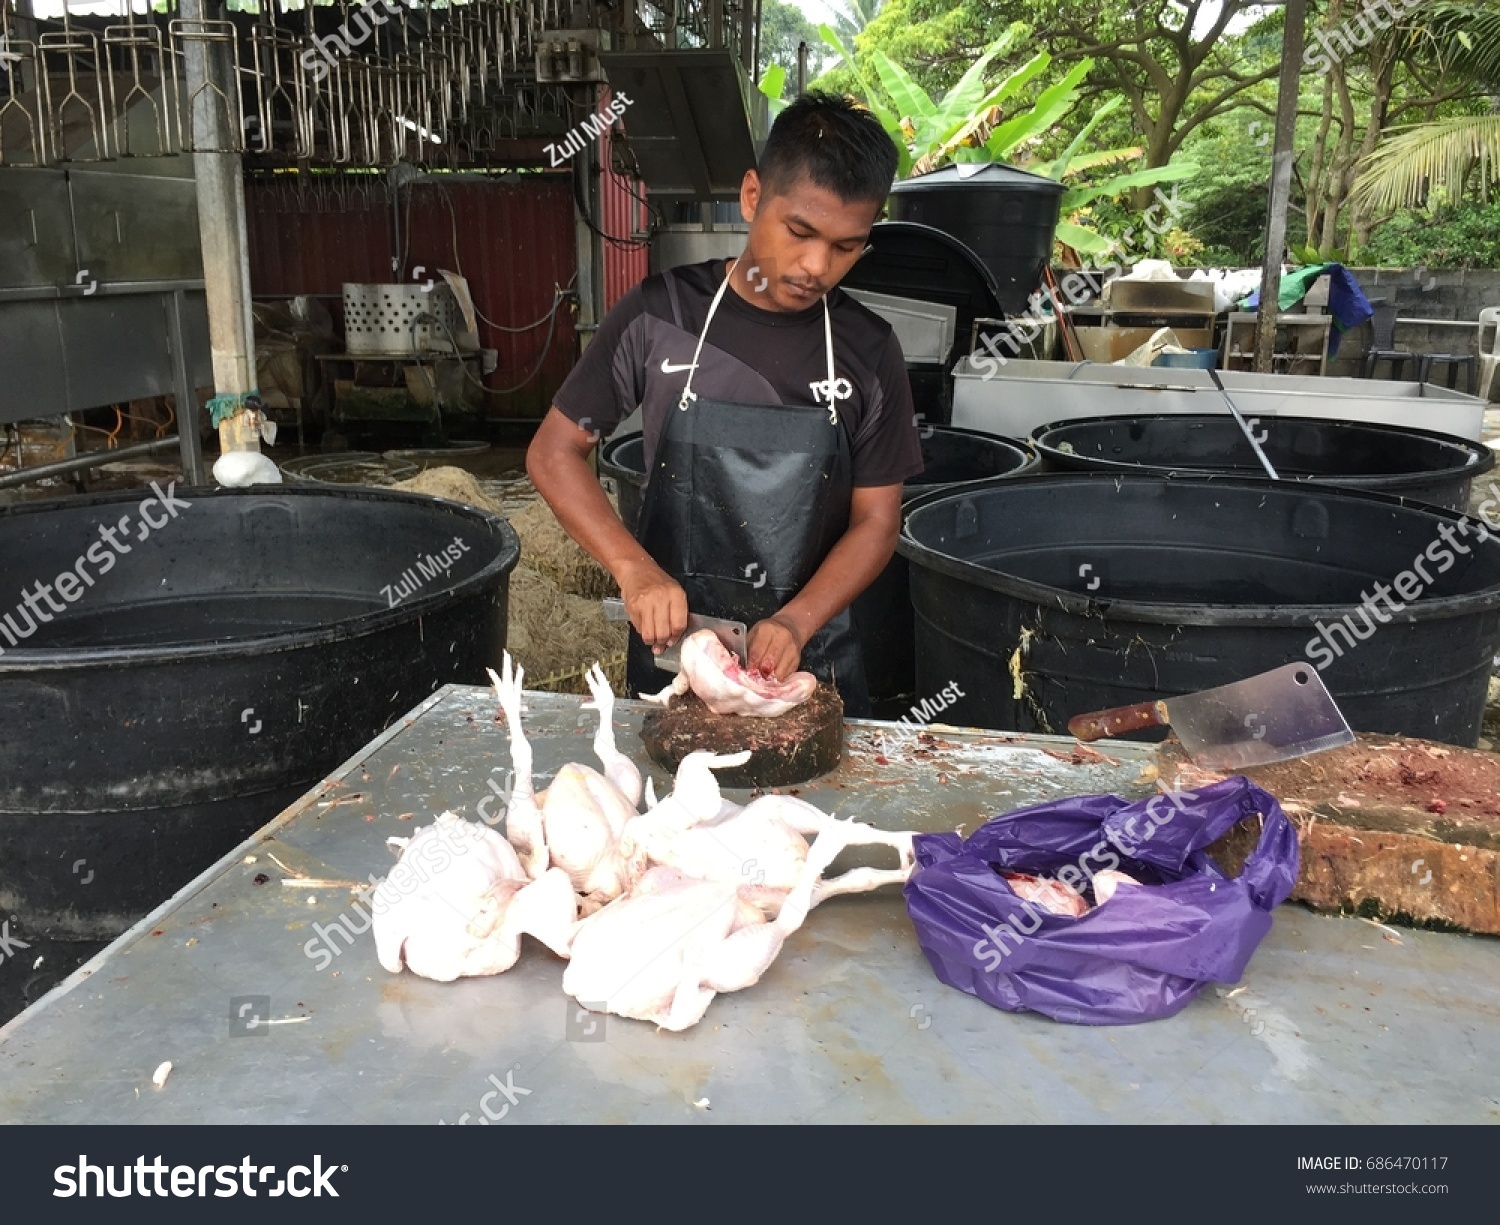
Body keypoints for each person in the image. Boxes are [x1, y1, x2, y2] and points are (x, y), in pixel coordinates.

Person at [527, 91, 922, 716]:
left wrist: (795, 623)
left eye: (847, 246)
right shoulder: (660, 315)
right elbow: (555, 451)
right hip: (677, 659)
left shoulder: (869, 350)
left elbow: (876, 522)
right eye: (799, 231)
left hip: (808, 666)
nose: (816, 265)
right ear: (751, 196)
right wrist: (634, 570)